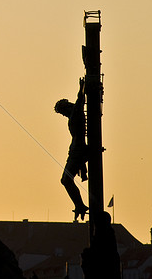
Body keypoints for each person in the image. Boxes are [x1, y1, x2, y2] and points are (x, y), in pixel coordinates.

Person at [55, 79, 89, 220]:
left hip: (78, 150)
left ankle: (80, 205)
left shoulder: (75, 112)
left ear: (67, 107)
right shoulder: (74, 113)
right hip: (75, 150)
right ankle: (79, 205)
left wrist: (82, 87)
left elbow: (80, 99)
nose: (64, 114)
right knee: (65, 180)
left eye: (63, 111)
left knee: (66, 180)